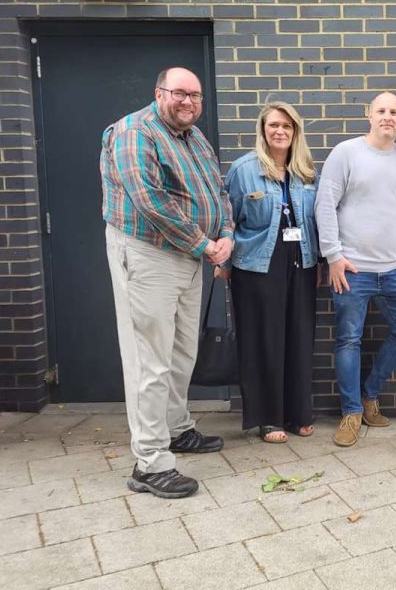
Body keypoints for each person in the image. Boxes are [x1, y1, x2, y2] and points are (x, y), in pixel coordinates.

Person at [101, 67, 231, 499]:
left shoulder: (195, 138)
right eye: (179, 93)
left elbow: (218, 188)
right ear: (159, 93)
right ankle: (150, 462)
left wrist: (226, 232)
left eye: (195, 96)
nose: (189, 102)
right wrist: (205, 244)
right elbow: (149, 200)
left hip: (191, 255)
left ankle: (176, 428)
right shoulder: (135, 132)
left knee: (181, 352)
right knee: (149, 360)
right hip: (149, 254)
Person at [314, 91, 396, 447]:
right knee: (348, 339)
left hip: (392, 270)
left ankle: (369, 394)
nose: (387, 116)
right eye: (381, 110)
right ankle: (351, 413)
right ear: (369, 115)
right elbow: (325, 203)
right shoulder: (347, 153)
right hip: (352, 270)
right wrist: (332, 255)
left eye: (394, 111)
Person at [217, 101, 319, 444]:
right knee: (264, 341)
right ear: (263, 130)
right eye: (274, 125)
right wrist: (225, 264)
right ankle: (268, 418)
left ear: (295, 132)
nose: (280, 131)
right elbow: (227, 219)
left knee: (299, 338)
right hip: (257, 266)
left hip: (300, 262)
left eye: (287, 127)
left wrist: (317, 262)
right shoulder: (244, 169)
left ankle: (297, 413)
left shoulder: (304, 170)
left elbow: (312, 222)